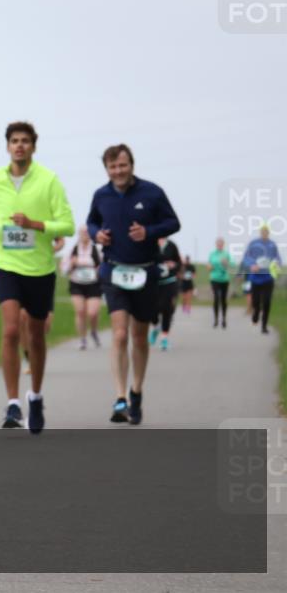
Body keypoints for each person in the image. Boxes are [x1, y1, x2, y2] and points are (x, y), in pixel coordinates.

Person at [0, 121, 74, 433]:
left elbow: (67, 224)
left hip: (39, 268)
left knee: (35, 335)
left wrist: (35, 224)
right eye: (14, 141)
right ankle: (12, 403)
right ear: (7, 146)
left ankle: (35, 395)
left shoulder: (49, 180)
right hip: (6, 263)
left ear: (33, 146)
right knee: (10, 330)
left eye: (24, 141)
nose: (19, 145)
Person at [87, 144, 180, 425]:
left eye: (122, 165)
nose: (118, 171)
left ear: (132, 165)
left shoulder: (152, 192)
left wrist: (148, 232)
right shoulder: (101, 195)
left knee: (139, 337)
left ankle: (136, 391)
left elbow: (173, 223)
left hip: (145, 272)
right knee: (119, 335)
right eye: (113, 167)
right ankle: (120, 397)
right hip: (114, 271)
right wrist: (97, 235)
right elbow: (92, 222)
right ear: (106, 169)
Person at [22, 237, 65, 375]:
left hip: (44, 275)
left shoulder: (45, 224)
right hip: (21, 273)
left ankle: (36, 352)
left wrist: (51, 249)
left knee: (44, 325)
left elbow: (61, 241)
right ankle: (29, 357)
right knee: (22, 319)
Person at [66, 227, 103, 350]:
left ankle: (93, 331)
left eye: (87, 232)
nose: (85, 234)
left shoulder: (97, 249)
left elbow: (104, 267)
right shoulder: (73, 250)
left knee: (92, 313)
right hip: (77, 283)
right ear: (79, 234)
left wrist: (99, 270)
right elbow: (64, 270)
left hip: (93, 284)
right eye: (82, 232)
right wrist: (72, 264)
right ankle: (82, 339)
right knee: (80, 311)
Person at [242, 224, 282, 334]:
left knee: (267, 302)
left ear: (268, 232)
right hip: (255, 278)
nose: (265, 233)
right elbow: (246, 257)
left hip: (268, 278)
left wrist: (277, 264)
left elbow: (277, 258)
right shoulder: (253, 243)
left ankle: (264, 326)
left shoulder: (272, 244)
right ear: (260, 232)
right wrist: (252, 265)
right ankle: (256, 313)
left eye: (266, 231)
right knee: (256, 302)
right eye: (263, 231)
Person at [150, 237, 181, 351]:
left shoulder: (171, 245)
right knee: (152, 309)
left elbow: (179, 262)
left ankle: (164, 337)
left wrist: (174, 265)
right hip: (153, 283)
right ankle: (155, 327)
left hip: (169, 282)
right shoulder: (150, 242)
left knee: (166, 309)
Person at [209, 238, 232, 328]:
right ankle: (216, 319)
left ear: (223, 244)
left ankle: (224, 319)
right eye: (218, 244)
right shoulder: (212, 254)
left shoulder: (226, 254)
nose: (219, 245)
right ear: (216, 244)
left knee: (223, 299)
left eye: (221, 244)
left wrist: (227, 262)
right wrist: (209, 267)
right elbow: (209, 264)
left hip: (224, 279)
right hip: (214, 279)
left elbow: (232, 264)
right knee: (216, 298)